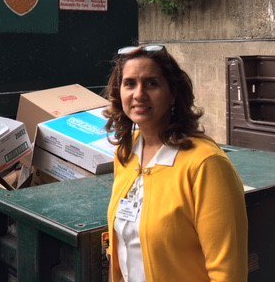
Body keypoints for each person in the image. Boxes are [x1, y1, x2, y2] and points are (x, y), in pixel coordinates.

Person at [104, 45, 248, 282]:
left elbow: (228, 274)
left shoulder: (205, 165)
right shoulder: (126, 153)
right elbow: (119, 250)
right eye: (130, 83)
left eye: (152, 83)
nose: (139, 94)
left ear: (172, 94)